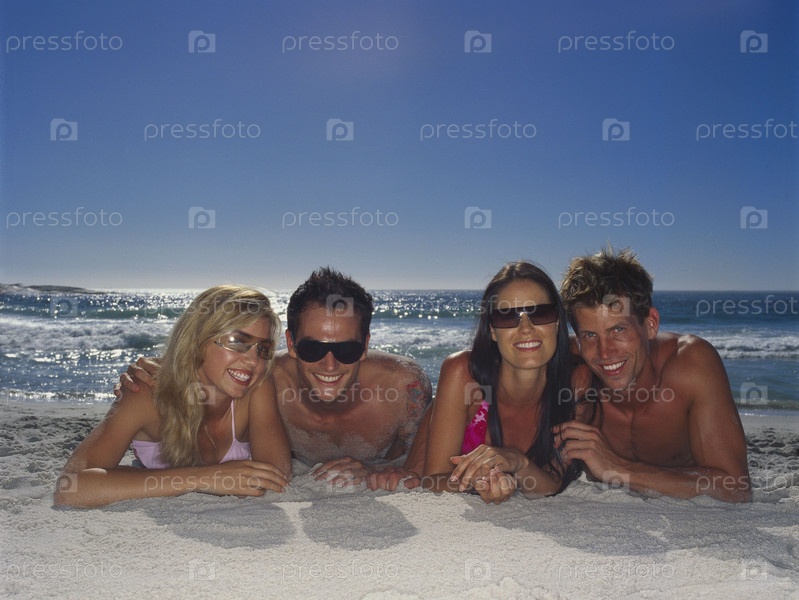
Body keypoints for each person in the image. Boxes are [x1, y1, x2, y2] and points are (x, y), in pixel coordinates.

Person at [118, 268, 432, 489]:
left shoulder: (404, 388)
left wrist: (381, 471)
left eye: (346, 349)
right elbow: (210, 367)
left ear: (364, 346)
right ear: (291, 344)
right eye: (312, 348)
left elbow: (424, 460)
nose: (330, 364)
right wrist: (166, 369)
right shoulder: (262, 380)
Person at [54, 285, 291, 508]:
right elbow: (69, 488)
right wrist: (204, 478)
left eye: (263, 349)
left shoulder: (256, 387)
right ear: (198, 341)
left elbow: (276, 475)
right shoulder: (147, 393)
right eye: (238, 341)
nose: (253, 361)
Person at [555, 247, 751, 502]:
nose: (605, 352)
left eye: (618, 330)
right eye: (590, 335)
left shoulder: (689, 364)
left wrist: (616, 468)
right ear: (578, 340)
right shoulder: (568, 365)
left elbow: (735, 488)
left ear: (650, 324)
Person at [421, 261, 580, 504]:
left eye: (539, 313)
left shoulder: (576, 381)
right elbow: (432, 480)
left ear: (557, 321)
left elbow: (552, 483)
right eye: (507, 317)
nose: (526, 328)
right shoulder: (463, 374)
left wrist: (518, 462)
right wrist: (476, 482)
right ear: (493, 331)